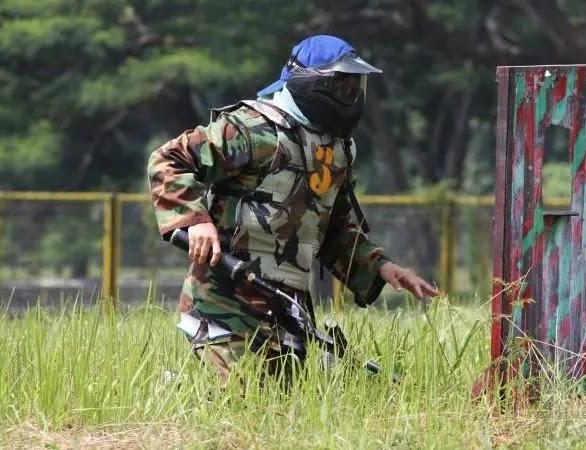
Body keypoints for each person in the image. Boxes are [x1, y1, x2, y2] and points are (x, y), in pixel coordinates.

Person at [148, 35, 439, 382]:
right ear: (311, 83)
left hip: (289, 306)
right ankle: (179, 391)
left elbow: (333, 229)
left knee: (283, 408)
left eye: (354, 85)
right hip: (226, 299)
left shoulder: (339, 150)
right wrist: (195, 221)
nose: (352, 95)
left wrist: (382, 268)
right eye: (342, 84)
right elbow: (169, 160)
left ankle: (184, 386)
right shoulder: (250, 129)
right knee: (239, 402)